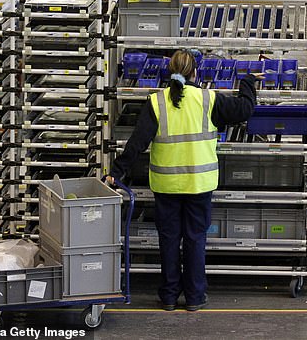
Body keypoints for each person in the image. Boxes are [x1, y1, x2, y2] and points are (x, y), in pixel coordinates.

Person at [107, 50, 263, 311]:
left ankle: (168, 296)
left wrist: (117, 172)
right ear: (195, 72)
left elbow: (137, 143)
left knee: (168, 240)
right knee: (194, 239)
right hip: (198, 185)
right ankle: (194, 297)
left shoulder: (156, 102)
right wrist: (247, 83)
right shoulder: (208, 99)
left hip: (166, 185)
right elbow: (245, 110)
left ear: (171, 73)